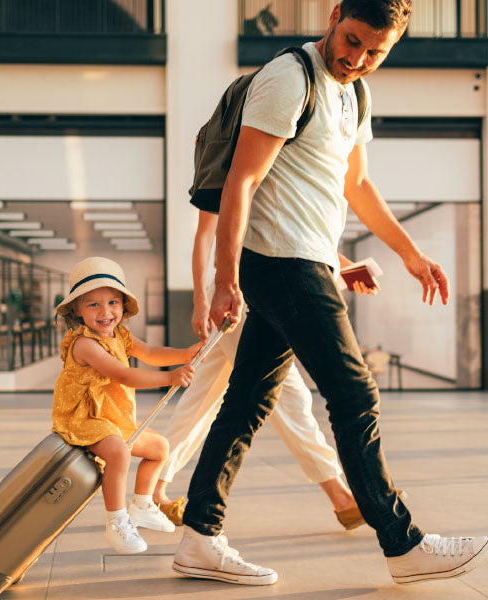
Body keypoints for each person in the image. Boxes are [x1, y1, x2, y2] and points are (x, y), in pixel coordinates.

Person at [171, 0, 488, 586]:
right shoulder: (288, 79)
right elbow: (243, 182)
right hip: (281, 265)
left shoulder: (354, 94)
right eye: (351, 41)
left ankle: (198, 535)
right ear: (334, 16)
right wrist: (226, 280)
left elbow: (356, 184)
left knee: (247, 401)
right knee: (353, 394)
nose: (357, 58)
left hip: (306, 262)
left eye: (376, 51)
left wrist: (408, 254)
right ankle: (402, 543)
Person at [151, 209, 370, 531]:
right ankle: (342, 498)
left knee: (201, 400)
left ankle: (152, 490)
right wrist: (199, 299)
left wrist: (345, 266)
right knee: (288, 396)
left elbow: (293, 233)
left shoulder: (277, 176)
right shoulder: (232, 172)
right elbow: (204, 237)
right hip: (237, 298)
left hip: (264, 294)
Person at [52, 256, 202, 555]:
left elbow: (151, 353)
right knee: (119, 452)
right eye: (93, 304)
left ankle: (143, 504)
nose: (105, 311)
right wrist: (170, 377)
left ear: (122, 306)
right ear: (77, 311)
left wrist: (185, 354)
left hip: (111, 418)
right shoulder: (85, 344)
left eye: (112, 303)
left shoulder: (120, 335)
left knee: (159, 448)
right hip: (84, 418)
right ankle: (116, 521)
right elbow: (123, 375)